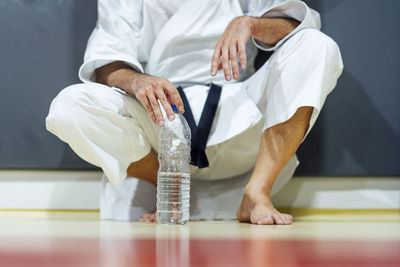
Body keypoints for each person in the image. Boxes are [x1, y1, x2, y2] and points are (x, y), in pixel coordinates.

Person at [45, 0, 343, 225]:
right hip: (160, 122)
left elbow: (295, 24)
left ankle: (257, 193)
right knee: (69, 106)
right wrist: (136, 81)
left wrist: (250, 24)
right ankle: (168, 191)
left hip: (240, 112)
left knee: (317, 46)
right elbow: (107, 55)